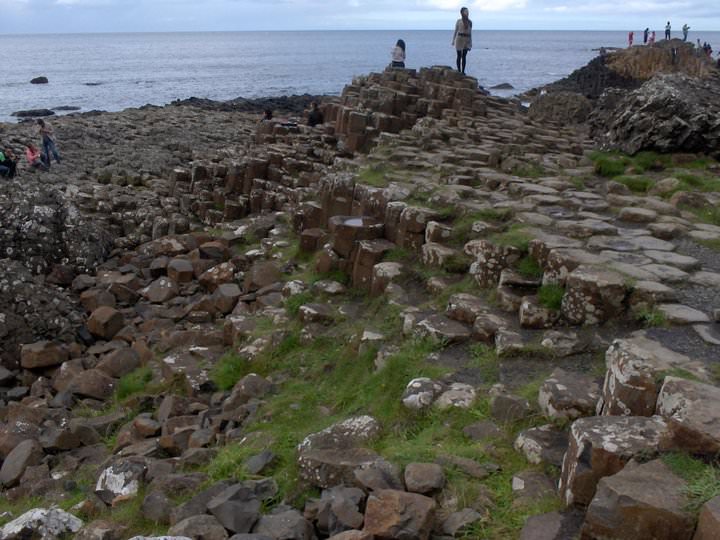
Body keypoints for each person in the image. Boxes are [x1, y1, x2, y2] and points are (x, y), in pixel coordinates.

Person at [452, 7, 472, 75]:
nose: (467, 12)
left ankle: (463, 71)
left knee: (464, 56)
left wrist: (470, 43)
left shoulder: (470, 22)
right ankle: (459, 71)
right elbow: (456, 31)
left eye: (467, 11)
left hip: (466, 39)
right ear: (462, 12)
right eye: (466, 11)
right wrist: (453, 40)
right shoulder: (459, 21)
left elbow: (470, 33)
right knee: (459, 55)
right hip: (459, 39)